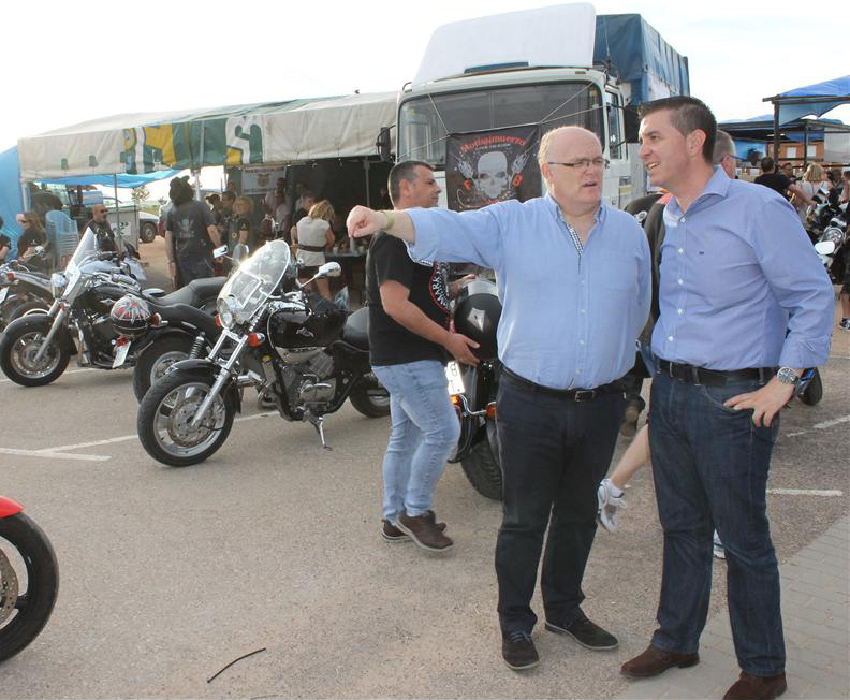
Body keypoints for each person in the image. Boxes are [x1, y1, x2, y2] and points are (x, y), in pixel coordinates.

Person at [348, 128, 651, 672]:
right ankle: (516, 622)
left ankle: (564, 609)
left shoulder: (629, 231)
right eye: (577, 162)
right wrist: (388, 219)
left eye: (597, 160)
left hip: (603, 401)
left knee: (579, 515)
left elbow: (637, 307)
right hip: (532, 402)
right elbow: (449, 227)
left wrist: (622, 373)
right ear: (548, 172)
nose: (592, 171)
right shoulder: (513, 222)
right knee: (524, 518)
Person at [619, 96, 833, 700]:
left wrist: (785, 380)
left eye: (654, 138)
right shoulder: (670, 214)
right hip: (674, 393)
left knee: (743, 538)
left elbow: (813, 297)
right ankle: (677, 641)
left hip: (734, 399)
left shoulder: (758, 208)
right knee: (682, 526)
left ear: (694, 142)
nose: (645, 150)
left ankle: (765, 668)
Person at [597, 129, 739, 563]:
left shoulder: (650, 209)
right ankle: (712, 523)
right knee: (698, 430)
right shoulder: (679, 212)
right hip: (681, 342)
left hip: (660, 335)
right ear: (723, 161)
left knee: (667, 419)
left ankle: (614, 484)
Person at [365, 161, 478, 558]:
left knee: (407, 436)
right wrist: (449, 340)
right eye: (429, 182)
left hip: (408, 356)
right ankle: (415, 512)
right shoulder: (394, 238)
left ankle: (393, 514)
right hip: (407, 356)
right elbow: (395, 305)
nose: (437, 189)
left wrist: (453, 286)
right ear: (405, 189)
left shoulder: (420, 236)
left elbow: (419, 290)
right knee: (443, 432)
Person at [164, 177, 221, 289]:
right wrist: (220, 249)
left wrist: (171, 261)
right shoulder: (200, 206)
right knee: (206, 290)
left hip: (182, 258)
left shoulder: (172, 212)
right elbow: (212, 230)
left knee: (189, 290)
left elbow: (168, 237)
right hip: (202, 256)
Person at [293, 200, 336, 299]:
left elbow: (295, 233)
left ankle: (308, 313)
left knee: (306, 293)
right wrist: (326, 246)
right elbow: (332, 240)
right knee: (324, 292)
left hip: (302, 260)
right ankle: (329, 313)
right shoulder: (323, 224)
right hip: (317, 260)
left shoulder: (301, 222)